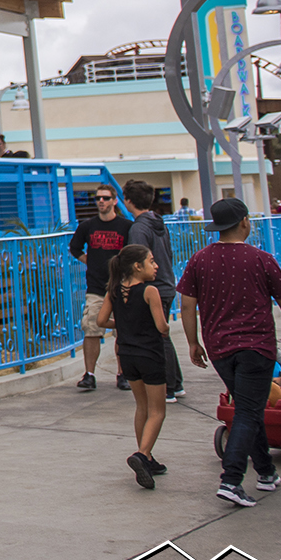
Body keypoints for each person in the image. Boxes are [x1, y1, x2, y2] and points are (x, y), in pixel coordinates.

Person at [179, 198, 281, 508]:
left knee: (249, 407)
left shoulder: (199, 260)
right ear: (245, 222)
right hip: (256, 347)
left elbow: (186, 304)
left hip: (219, 348)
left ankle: (266, 472)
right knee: (249, 411)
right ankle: (231, 480)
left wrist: (193, 343)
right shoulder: (261, 259)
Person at [96, 244, 168, 489]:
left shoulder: (114, 291)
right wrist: (164, 326)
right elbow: (161, 326)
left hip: (126, 355)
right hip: (150, 355)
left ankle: (147, 457)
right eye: (151, 261)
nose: (156, 265)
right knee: (158, 410)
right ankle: (141, 454)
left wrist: (124, 324)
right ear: (138, 266)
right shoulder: (150, 291)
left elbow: (101, 320)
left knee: (142, 407)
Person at [123, 180, 184, 401]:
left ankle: (166, 386)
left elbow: (137, 261)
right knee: (162, 334)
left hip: (153, 288)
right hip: (166, 283)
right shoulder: (158, 222)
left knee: (158, 338)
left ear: (128, 201)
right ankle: (175, 384)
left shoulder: (138, 228)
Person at [68, 185, 133, 391]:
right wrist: (90, 261)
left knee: (122, 331)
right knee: (91, 328)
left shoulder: (126, 226)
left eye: (105, 198)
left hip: (121, 286)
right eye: (97, 198)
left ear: (114, 200)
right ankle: (89, 374)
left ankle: (122, 373)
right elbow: (74, 247)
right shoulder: (88, 226)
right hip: (96, 286)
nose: (101, 202)